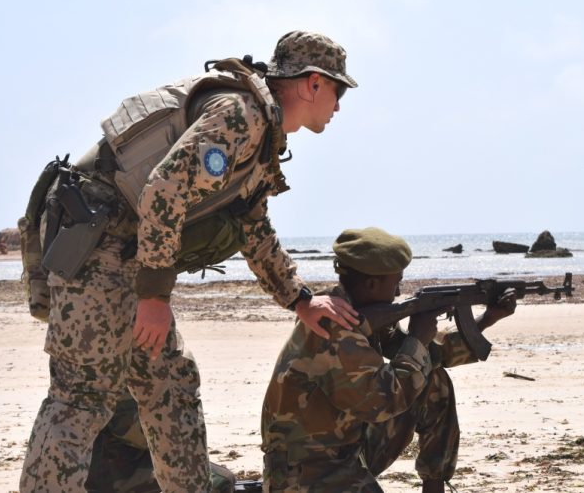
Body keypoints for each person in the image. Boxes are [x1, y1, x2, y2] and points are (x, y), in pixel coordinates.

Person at [20, 30, 361, 493]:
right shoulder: (240, 116)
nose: (338, 105)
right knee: (82, 396)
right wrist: (154, 297)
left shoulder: (262, 135)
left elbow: (252, 226)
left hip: (128, 254)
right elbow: (164, 188)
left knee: (171, 387)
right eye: (337, 90)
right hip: (97, 248)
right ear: (312, 84)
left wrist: (299, 299)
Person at [260, 227, 518, 493]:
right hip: (304, 471)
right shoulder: (335, 326)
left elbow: (431, 358)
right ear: (372, 284)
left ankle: (434, 484)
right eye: (396, 282)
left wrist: (488, 319)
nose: (397, 293)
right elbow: (382, 401)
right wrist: (417, 338)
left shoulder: (352, 311)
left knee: (434, 380)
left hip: (345, 450)